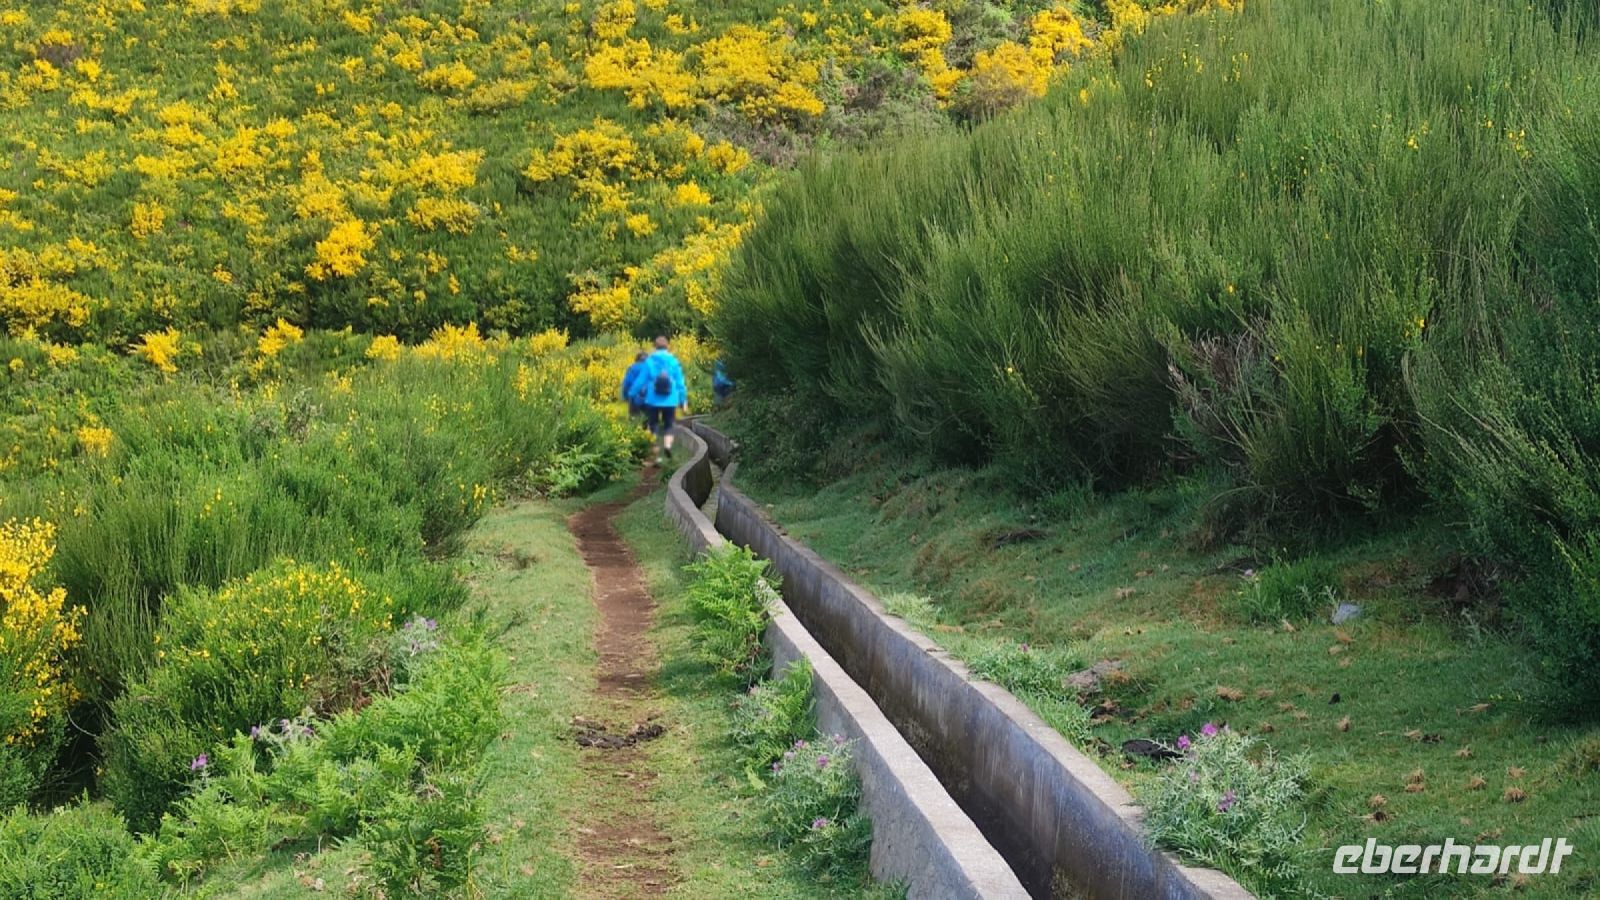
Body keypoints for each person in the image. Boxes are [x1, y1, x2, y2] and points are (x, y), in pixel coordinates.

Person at [630, 335, 688, 463]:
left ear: (655, 346)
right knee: (669, 425)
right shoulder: (673, 360)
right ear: (667, 346)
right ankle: (667, 446)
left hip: (652, 399)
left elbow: (640, 380)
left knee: (653, 426)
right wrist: (683, 400)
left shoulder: (649, 361)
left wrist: (632, 393)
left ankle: (657, 456)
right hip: (670, 399)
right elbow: (680, 382)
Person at [620, 350, 648, 418]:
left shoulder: (632, 368)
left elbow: (627, 383)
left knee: (634, 421)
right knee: (648, 421)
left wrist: (625, 396)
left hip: (634, 399)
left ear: (636, 359)